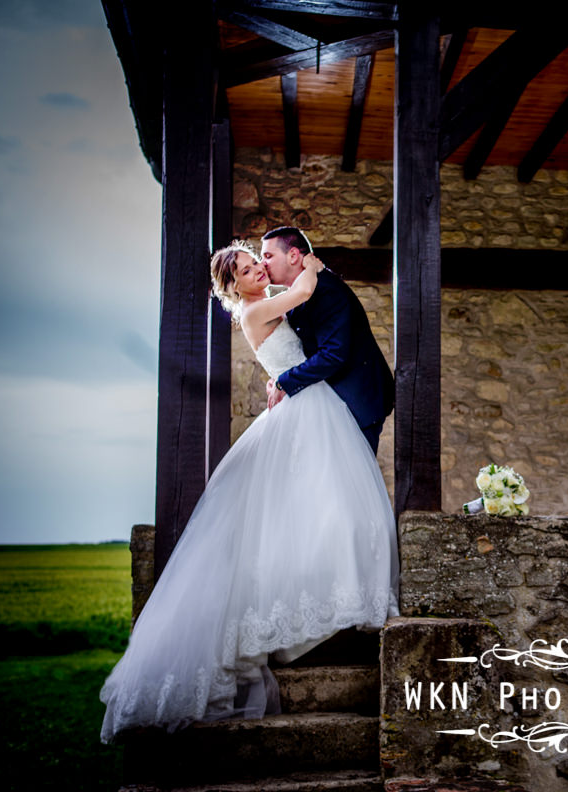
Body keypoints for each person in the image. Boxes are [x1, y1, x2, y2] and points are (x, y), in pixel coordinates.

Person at [99, 240, 399, 743]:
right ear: (233, 287)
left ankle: (337, 598)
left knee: (320, 507)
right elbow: (304, 289)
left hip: (312, 405)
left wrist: (281, 379)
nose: (257, 268)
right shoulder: (258, 308)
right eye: (244, 267)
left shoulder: (262, 303)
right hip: (307, 408)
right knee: (315, 509)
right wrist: (315, 266)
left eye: (255, 260)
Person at [259, 226, 394, 454]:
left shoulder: (325, 290)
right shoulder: (298, 294)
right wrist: (279, 377)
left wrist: (286, 381)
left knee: (349, 482)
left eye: (268, 256)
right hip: (329, 403)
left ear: (293, 255)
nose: (263, 264)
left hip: (356, 401)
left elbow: (333, 354)